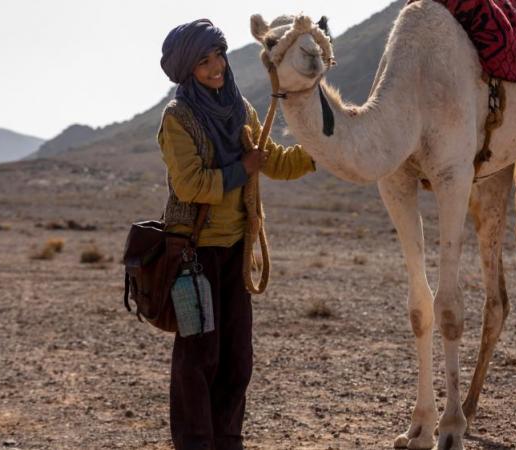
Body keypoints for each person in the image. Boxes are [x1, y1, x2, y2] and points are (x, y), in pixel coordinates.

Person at [158, 19, 315, 450]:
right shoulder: (178, 117)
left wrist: (323, 150)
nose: (215, 68)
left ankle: (227, 440)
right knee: (199, 357)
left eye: (218, 56)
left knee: (237, 359)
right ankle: (195, 443)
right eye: (204, 61)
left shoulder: (240, 108)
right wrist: (240, 169)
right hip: (193, 253)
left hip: (237, 249)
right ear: (187, 69)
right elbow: (190, 184)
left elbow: (274, 161)